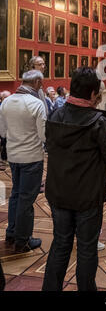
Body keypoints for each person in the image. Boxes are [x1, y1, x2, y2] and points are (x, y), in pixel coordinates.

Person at [42, 67, 106, 291]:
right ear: (94, 94)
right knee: (86, 249)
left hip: (58, 191)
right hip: (87, 195)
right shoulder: (97, 122)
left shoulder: (55, 115)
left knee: (60, 244)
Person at [0, 70, 46, 253]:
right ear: (35, 82)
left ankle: (11, 233)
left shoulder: (6, 102)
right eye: (41, 83)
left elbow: (2, 132)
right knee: (27, 199)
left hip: (13, 155)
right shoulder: (36, 104)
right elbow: (43, 135)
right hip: (32, 157)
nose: (41, 87)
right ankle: (23, 240)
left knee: (16, 195)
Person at [0, 91, 11, 170]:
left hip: (8, 128)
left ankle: (5, 159)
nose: (8, 99)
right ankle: (3, 160)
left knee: (6, 144)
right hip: (2, 128)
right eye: (6, 97)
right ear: (2, 98)